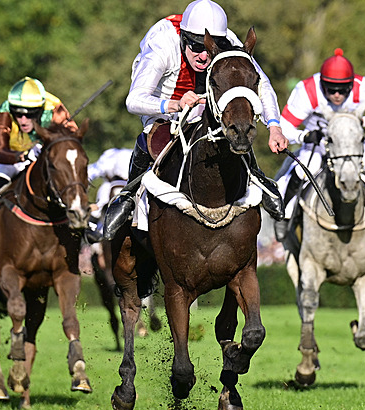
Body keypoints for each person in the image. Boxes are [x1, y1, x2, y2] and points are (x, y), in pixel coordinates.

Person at [102, 0, 288, 241]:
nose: (203, 55)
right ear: (183, 38)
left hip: (205, 98)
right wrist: (174, 105)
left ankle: (256, 176)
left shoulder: (227, 41)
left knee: (232, 131)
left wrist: (274, 127)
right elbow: (134, 100)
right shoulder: (162, 45)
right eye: (195, 46)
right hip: (163, 102)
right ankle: (128, 195)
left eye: (208, 48)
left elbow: (262, 84)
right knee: (155, 138)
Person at [276, 48, 365, 239]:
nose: (336, 95)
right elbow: (283, 127)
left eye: (342, 90)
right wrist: (303, 137)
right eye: (331, 89)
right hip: (317, 143)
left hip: (350, 143)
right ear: (322, 84)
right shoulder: (307, 90)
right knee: (305, 168)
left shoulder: (363, 86)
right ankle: (284, 214)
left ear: (351, 85)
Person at [0, 76, 78, 250]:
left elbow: (72, 137)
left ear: (40, 109)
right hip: (13, 156)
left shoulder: (54, 106)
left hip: (45, 154)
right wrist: (20, 156)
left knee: (70, 172)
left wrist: (49, 146)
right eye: (18, 113)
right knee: (3, 173)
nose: (22, 120)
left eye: (29, 114)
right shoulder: (4, 112)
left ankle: (84, 221)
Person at [86, 147, 133, 242]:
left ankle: (92, 226)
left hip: (124, 184)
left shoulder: (109, 158)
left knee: (104, 192)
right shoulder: (112, 156)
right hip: (131, 184)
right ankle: (93, 225)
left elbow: (91, 172)